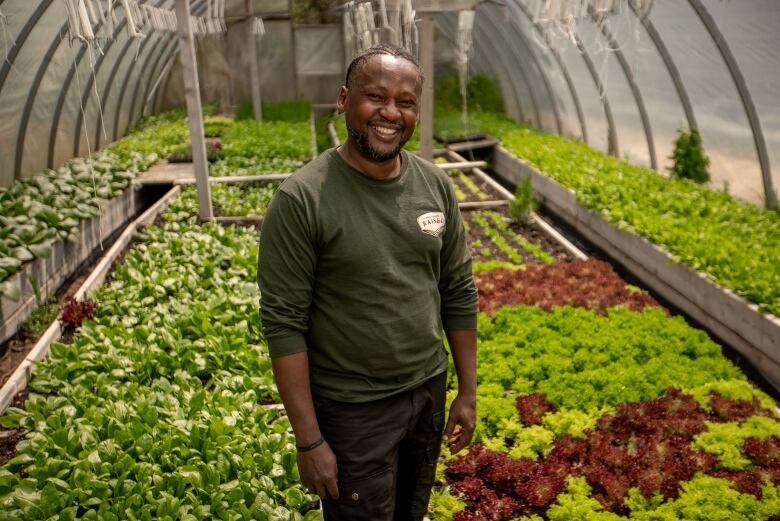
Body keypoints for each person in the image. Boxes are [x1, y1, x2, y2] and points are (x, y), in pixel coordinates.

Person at [258, 43, 478, 520]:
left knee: (410, 512)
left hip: (426, 390)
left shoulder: (434, 185)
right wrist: (309, 439)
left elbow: (457, 289)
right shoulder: (303, 199)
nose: (390, 113)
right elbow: (283, 324)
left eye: (405, 101)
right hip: (353, 408)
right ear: (343, 100)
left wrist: (467, 390)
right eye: (375, 97)